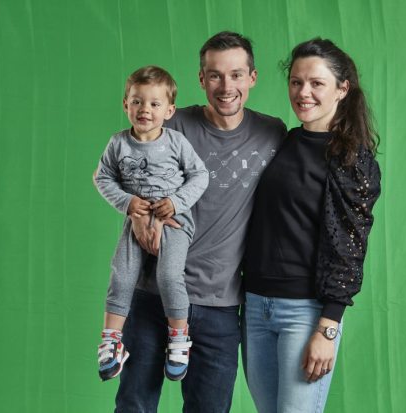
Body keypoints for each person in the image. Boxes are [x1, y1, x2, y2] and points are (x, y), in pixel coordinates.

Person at [114, 32, 287, 412]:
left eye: (236, 75)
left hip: (218, 304)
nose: (226, 87)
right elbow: (120, 166)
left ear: (252, 78)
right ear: (201, 79)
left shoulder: (272, 133)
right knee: (134, 405)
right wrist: (136, 214)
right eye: (215, 75)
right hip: (152, 294)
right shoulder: (172, 125)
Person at [242, 38, 382, 413]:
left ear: (342, 89)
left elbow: (350, 249)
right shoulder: (284, 141)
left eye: (316, 83)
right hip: (255, 306)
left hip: (305, 313)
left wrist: (328, 327)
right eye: (296, 82)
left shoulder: (352, 160)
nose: (303, 92)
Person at [94, 66, 209, 382]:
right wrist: (127, 203)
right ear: (126, 104)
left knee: (169, 275)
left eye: (155, 103)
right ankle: (112, 341)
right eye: (137, 101)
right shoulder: (118, 143)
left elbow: (200, 176)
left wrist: (176, 202)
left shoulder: (176, 142)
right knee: (122, 274)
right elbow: (103, 178)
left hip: (174, 221)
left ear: (169, 110)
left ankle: (179, 337)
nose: (145, 109)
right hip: (137, 220)